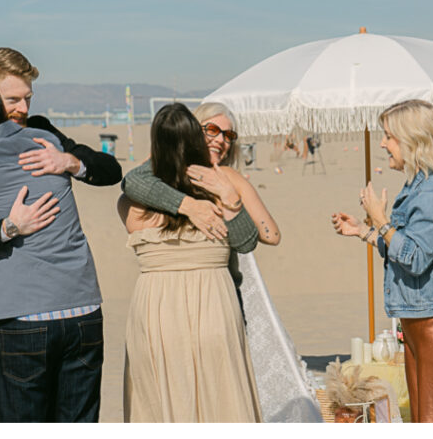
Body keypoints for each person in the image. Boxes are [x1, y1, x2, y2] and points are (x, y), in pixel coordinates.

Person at [0, 47, 121, 423]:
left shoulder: (43, 132)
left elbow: (110, 170)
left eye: (27, 98)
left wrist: (72, 162)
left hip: (50, 321)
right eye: (11, 99)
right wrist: (6, 229)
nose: (21, 108)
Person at [122, 102, 322, 422]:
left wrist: (229, 198)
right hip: (200, 304)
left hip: (174, 305)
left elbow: (258, 237)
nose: (222, 140)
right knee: (219, 400)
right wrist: (189, 204)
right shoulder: (151, 186)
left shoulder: (221, 180)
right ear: (190, 132)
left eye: (228, 134)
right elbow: (134, 181)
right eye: (212, 130)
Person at [332, 99, 433, 423]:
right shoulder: (416, 188)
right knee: (426, 415)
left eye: (389, 136)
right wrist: (365, 231)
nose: (383, 143)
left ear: (413, 140)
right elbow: (404, 249)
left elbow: (414, 258)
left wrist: (381, 220)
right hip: (422, 319)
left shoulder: (431, 193)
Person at [118, 102, 262, 422]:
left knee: (161, 401)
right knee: (220, 400)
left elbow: (134, 181)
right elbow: (248, 240)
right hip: (213, 304)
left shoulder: (131, 205)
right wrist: (224, 198)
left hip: (157, 310)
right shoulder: (213, 194)